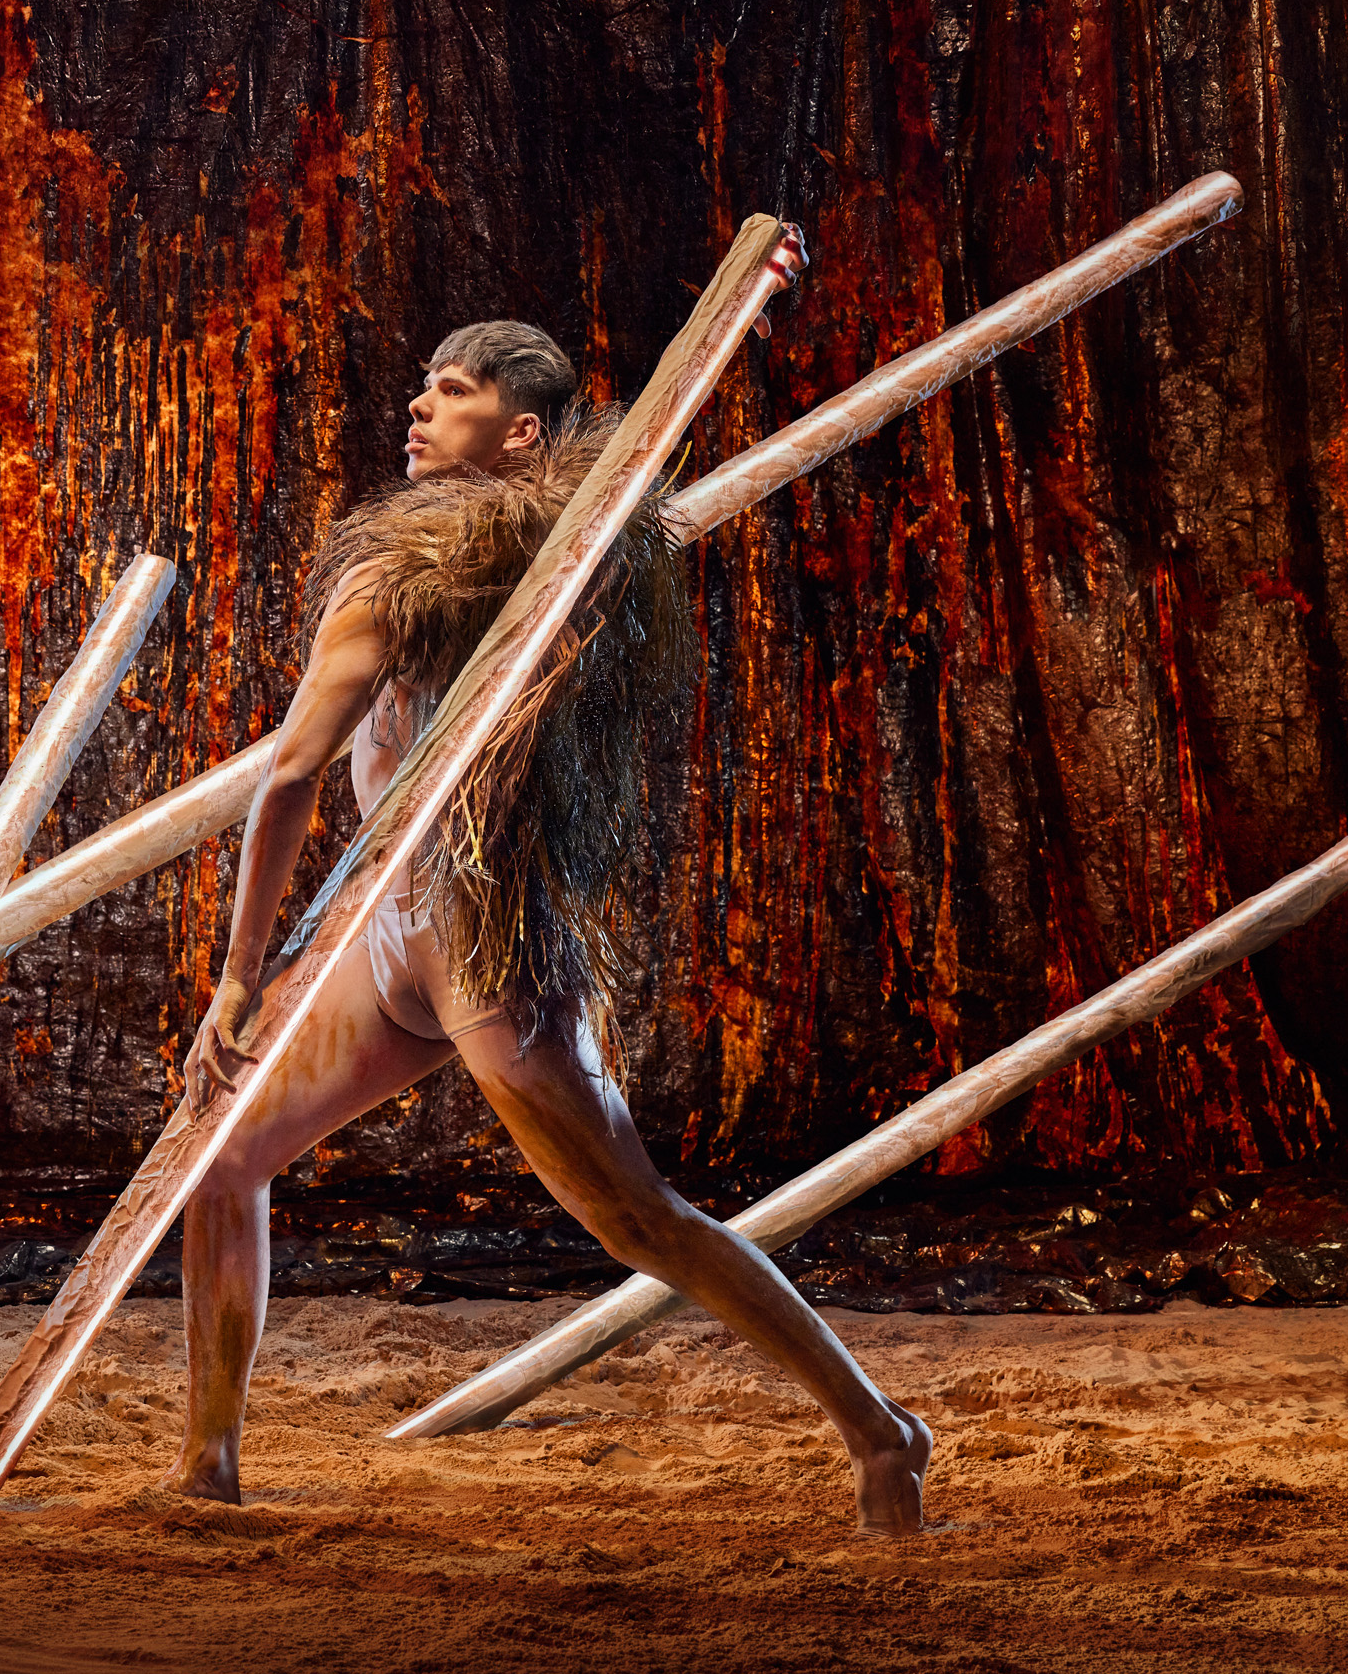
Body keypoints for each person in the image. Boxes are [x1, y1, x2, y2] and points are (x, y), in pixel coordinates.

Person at [167, 320, 932, 1534]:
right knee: (222, 1162)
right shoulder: (393, 574)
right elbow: (295, 777)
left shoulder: (567, 575)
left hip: (488, 938)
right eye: (421, 380)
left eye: (452, 390)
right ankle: (208, 1461)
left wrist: (238, 978)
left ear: (520, 432)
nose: (417, 405)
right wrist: (241, 980)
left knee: (636, 1220)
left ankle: (881, 1431)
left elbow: (295, 780)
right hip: (386, 926)